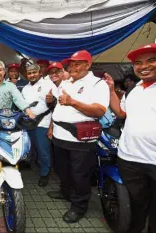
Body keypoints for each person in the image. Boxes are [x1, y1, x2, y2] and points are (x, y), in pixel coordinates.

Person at [48, 50, 110, 223]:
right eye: (71, 64)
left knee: (79, 174)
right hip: (60, 136)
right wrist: (52, 126)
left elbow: (99, 110)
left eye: (77, 63)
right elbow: (59, 108)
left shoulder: (97, 84)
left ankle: (79, 206)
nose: (73, 67)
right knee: (62, 169)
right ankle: (65, 191)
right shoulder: (66, 82)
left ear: (88, 64)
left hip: (80, 139)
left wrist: (72, 101)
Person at [104, 43, 156, 233]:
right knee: (135, 207)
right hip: (130, 159)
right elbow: (121, 112)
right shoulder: (134, 89)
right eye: (138, 62)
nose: (144, 66)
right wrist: (110, 90)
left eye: (151, 60)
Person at [22, 62, 58, 187]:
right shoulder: (25, 88)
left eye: (34, 72)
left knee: (43, 150)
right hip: (28, 122)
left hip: (43, 123)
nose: (32, 75)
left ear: (40, 73)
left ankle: (45, 173)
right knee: (29, 147)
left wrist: (51, 101)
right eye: (29, 73)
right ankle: (31, 165)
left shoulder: (48, 85)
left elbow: (57, 105)